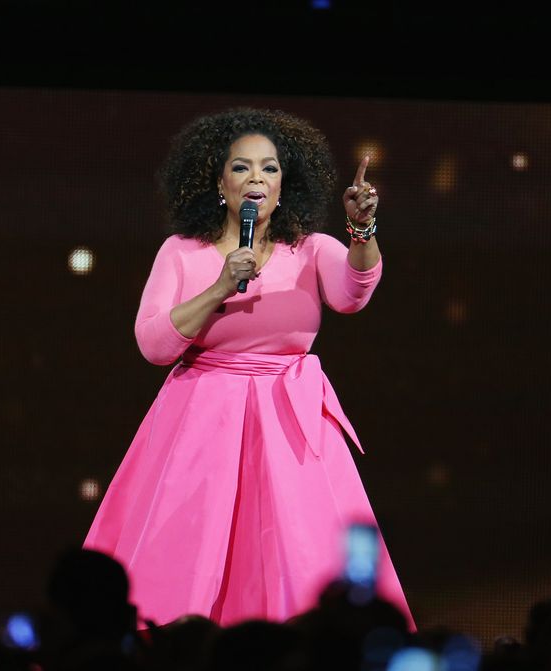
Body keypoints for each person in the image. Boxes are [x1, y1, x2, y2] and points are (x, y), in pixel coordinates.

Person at [83, 107, 415, 632]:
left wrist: (361, 228)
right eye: (241, 167)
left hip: (289, 424)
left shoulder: (310, 250)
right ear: (220, 184)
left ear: (284, 185)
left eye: (270, 167)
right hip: (201, 423)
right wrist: (220, 286)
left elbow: (353, 294)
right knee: (187, 560)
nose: (256, 177)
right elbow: (154, 343)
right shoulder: (182, 252)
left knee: (299, 558)